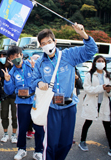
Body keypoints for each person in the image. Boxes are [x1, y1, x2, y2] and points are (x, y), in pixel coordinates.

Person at [31, 23, 98, 160]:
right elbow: (33, 81)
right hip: (51, 107)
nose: (47, 45)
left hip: (69, 106)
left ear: (54, 42)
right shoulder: (40, 63)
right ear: (40, 46)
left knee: (66, 144)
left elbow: (92, 50)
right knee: (51, 144)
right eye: (43, 44)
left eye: (49, 42)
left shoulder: (68, 55)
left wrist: (83, 34)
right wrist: (39, 83)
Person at [78, 55, 111, 159]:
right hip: (92, 103)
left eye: (103, 61)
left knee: (107, 126)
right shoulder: (90, 75)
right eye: (99, 61)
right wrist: (101, 88)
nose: (101, 63)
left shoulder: (108, 75)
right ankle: (82, 141)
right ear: (94, 63)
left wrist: (108, 90)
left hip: (104, 104)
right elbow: (87, 89)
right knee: (88, 122)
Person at [3, 46, 44, 160]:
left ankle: (38, 151)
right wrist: (7, 80)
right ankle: (21, 149)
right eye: (13, 57)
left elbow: (42, 80)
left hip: (35, 101)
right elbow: (9, 91)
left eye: (18, 55)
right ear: (10, 60)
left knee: (39, 126)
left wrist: (36, 69)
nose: (17, 58)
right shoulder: (11, 72)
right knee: (23, 127)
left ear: (22, 55)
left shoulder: (31, 65)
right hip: (22, 102)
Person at [0, 50, 17, 143]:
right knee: (4, 114)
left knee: (14, 115)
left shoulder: (14, 67)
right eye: (0, 56)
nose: (2, 57)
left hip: (13, 95)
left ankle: (14, 134)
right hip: (3, 94)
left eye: (4, 55)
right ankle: (5, 134)